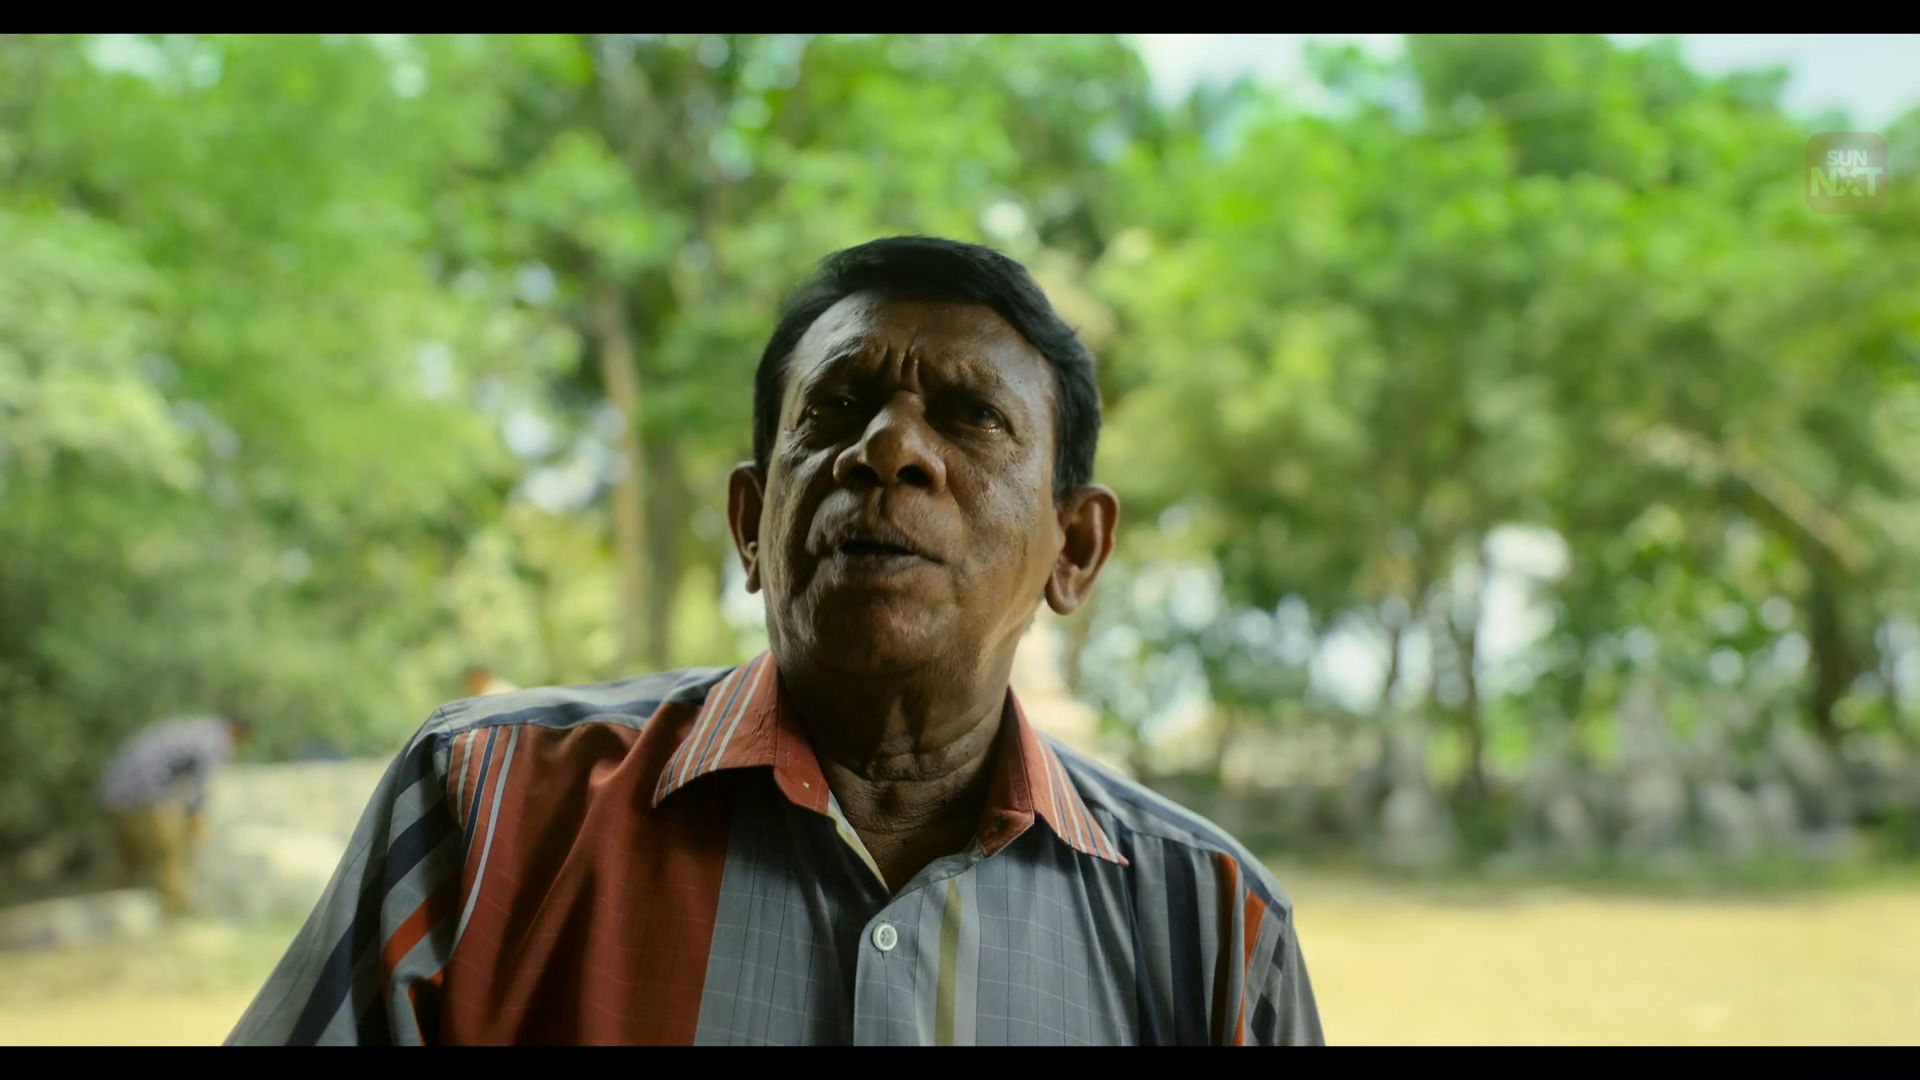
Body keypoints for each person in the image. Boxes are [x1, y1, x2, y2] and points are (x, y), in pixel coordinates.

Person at [228, 237, 1324, 1046]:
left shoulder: (1214, 930)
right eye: (836, 408)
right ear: (752, 523)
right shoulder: (485, 807)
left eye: (970, 416)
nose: (888, 449)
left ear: (1074, 548)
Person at [99, 714, 250, 919]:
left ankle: (118, 914)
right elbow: (201, 786)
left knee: (129, 861)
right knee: (172, 851)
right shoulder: (216, 741)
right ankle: (175, 912)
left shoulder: (193, 728)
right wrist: (197, 817)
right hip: (145, 789)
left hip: (113, 790)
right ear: (236, 732)